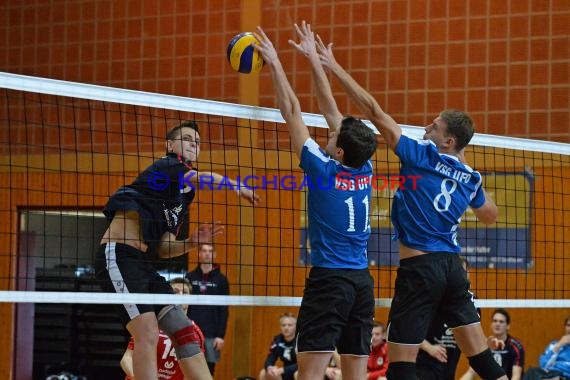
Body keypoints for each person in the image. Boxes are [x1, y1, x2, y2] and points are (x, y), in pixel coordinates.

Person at [312, 25, 508, 380]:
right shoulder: (472, 177)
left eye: (433, 126)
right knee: (481, 358)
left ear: (447, 141)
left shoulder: (421, 155)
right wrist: (465, 180)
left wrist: (332, 65)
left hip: (420, 270)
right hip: (452, 268)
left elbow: (372, 109)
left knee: (400, 364)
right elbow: (490, 215)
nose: (426, 128)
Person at [253, 22, 378, 380]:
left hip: (330, 283)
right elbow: (331, 110)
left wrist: (275, 63)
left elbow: (291, 109)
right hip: (361, 286)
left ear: (338, 149)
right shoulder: (364, 165)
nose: (329, 127)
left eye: (333, 133)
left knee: (308, 374)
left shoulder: (322, 170)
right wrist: (314, 61)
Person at [95, 120, 259, 380]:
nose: (193, 144)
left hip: (143, 263)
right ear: (170, 145)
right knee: (146, 332)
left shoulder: (184, 196)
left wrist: (192, 242)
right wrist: (234, 185)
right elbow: (203, 178)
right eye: (187, 139)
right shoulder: (167, 165)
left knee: (184, 329)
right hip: (118, 256)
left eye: (197, 142)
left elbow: (163, 247)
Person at [120, 278, 205, 380]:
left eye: (185, 292)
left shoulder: (195, 333)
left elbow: (193, 371)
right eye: (175, 292)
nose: (180, 295)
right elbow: (126, 359)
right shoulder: (149, 325)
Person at [416, 257, 472, 380]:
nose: (463, 276)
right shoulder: (431, 298)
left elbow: (472, 335)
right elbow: (409, 331)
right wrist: (429, 348)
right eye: (460, 272)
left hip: (450, 363)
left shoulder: (471, 303)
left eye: (466, 272)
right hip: (426, 363)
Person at [186, 243, 230, 375]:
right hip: (191, 330)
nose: (207, 254)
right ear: (199, 254)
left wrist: (220, 335)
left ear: (214, 254)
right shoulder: (190, 277)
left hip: (212, 333)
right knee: (190, 366)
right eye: (204, 251)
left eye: (210, 251)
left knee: (209, 368)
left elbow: (224, 309)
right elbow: (184, 305)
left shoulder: (221, 280)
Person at [460, 309, 525, 380]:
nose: (497, 324)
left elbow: (516, 376)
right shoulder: (485, 345)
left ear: (508, 326)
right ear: (491, 325)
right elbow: (470, 372)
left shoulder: (516, 346)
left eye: (501, 321)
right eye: (495, 321)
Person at [523, 315, 570, 380]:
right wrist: (559, 345)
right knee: (532, 371)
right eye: (568, 325)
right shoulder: (554, 345)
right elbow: (543, 365)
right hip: (549, 374)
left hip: (563, 376)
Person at [258, 312, 298, 380]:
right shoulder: (278, 339)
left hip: (297, 370)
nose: (286, 328)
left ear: (295, 326)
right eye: (283, 325)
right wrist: (269, 367)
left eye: (289, 325)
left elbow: (303, 364)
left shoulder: (300, 340)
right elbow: (271, 357)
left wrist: (283, 370)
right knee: (264, 373)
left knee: (297, 374)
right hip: (284, 372)